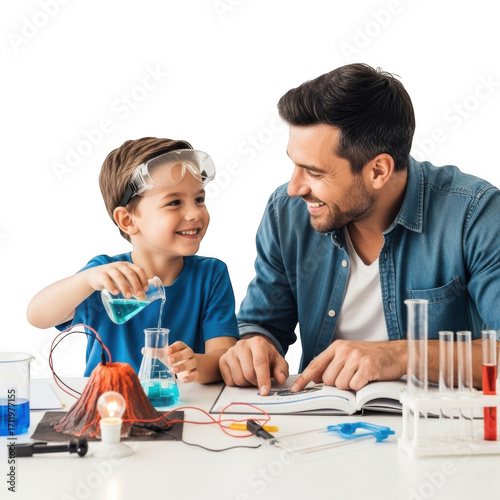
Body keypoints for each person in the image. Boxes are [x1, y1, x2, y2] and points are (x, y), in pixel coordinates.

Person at [219, 63, 500, 396]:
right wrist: (253, 347)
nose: (295, 188)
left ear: (378, 171)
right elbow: (262, 326)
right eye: (294, 164)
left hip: (433, 432)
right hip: (319, 427)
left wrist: (401, 355)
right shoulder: (287, 212)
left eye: (315, 172)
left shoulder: (474, 213)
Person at [28, 137, 239, 382]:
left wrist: (196, 364)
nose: (194, 213)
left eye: (199, 199)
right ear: (128, 220)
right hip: (108, 406)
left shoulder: (210, 275)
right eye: (174, 202)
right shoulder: (105, 276)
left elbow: (224, 357)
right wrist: (87, 280)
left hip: (181, 406)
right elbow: (37, 315)